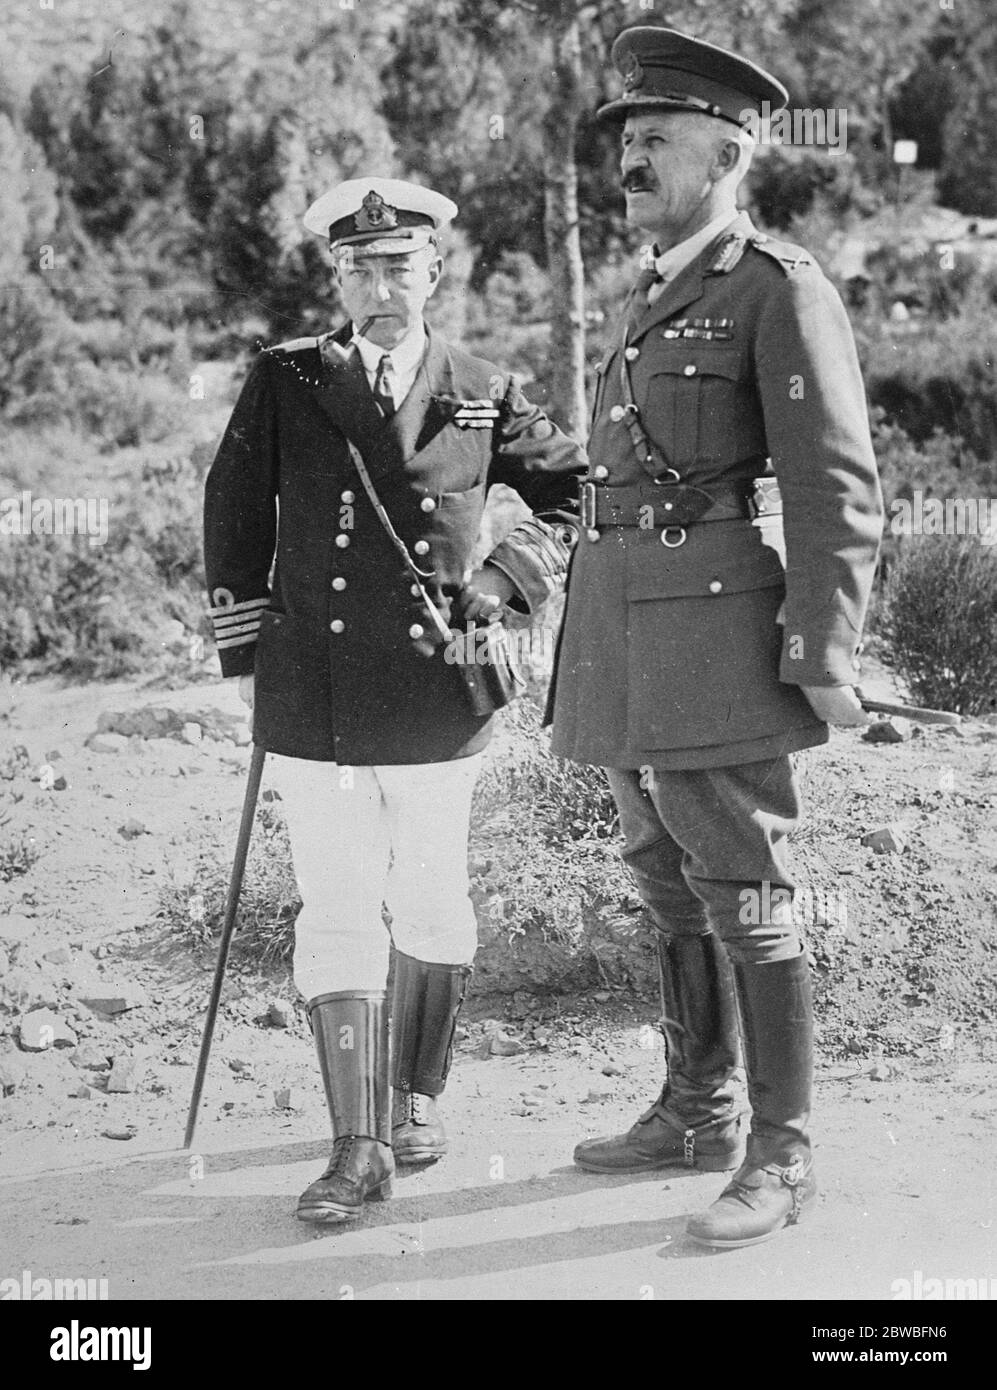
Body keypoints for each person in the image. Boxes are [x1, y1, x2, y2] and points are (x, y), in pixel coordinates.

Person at [548, 28, 884, 1247]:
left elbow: (836, 487)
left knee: (746, 885)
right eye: (626, 140)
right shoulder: (644, 287)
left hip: (713, 634)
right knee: (658, 870)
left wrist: (824, 652)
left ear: (729, 150)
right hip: (621, 631)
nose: (629, 159)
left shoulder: (774, 284)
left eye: (653, 139)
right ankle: (696, 1106)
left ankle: (782, 1152)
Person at [204, 177, 584, 1222]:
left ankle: (416, 1094)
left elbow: (575, 490)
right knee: (332, 903)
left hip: (436, 686)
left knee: (429, 899)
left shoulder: (481, 385)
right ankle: (355, 1145)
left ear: (434, 272)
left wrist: (508, 580)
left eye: (399, 265)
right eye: (359, 267)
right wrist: (250, 661)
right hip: (313, 693)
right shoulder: (286, 378)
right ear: (335, 275)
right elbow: (231, 509)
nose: (380, 286)